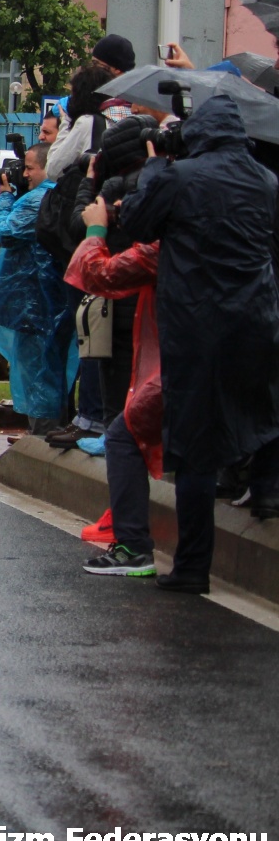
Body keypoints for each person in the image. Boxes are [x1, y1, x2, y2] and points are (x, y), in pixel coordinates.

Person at [117, 94, 279, 592]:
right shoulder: (267, 180)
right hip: (258, 318)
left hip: (198, 325)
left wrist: (156, 168)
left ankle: (192, 568)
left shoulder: (178, 177)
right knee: (264, 416)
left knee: (195, 447)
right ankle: (268, 493)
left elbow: (135, 224)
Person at [66, 191, 166, 578]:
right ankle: (192, 563)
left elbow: (97, 274)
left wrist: (96, 227)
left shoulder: (166, 245)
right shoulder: (249, 214)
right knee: (197, 457)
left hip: (186, 361)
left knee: (124, 433)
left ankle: (135, 547)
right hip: (241, 348)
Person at [0, 144, 72, 435]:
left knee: (38, 370)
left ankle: (43, 430)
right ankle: (46, 426)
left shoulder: (39, 199)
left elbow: (6, 231)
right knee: (47, 366)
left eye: (29, 168)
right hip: (45, 302)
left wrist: (4, 199)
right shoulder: (56, 195)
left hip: (34, 304)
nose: (24, 174)